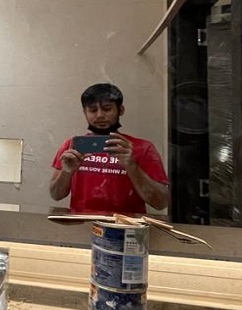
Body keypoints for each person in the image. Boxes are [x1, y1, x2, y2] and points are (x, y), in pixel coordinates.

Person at [49, 83, 169, 215]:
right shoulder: (71, 147)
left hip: (126, 225)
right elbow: (56, 195)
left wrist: (131, 166)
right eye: (92, 110)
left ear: (120, 110)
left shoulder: (143, 148)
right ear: (85, 113)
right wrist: (67, 171)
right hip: (82, 224)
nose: (100, 115)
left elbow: (161, 203)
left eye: (107, 109)